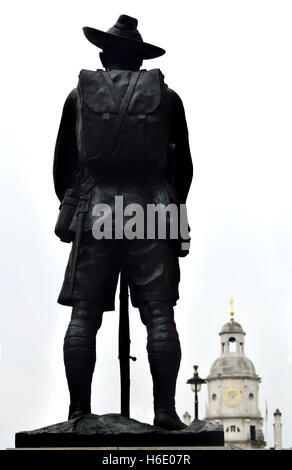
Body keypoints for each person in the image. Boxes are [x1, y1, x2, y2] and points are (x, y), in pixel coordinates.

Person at [53, 15, 193, 430]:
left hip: (96, 207)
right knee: (159, 314)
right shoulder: (168, 99)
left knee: (84, 315)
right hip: (153, 209)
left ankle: (78, 411)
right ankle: (165, 412)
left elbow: (63, 167)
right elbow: (182, 169)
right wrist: (171, 212)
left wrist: (76, 203)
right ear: (139, 60)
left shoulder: (78, 98)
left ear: (103, 55)